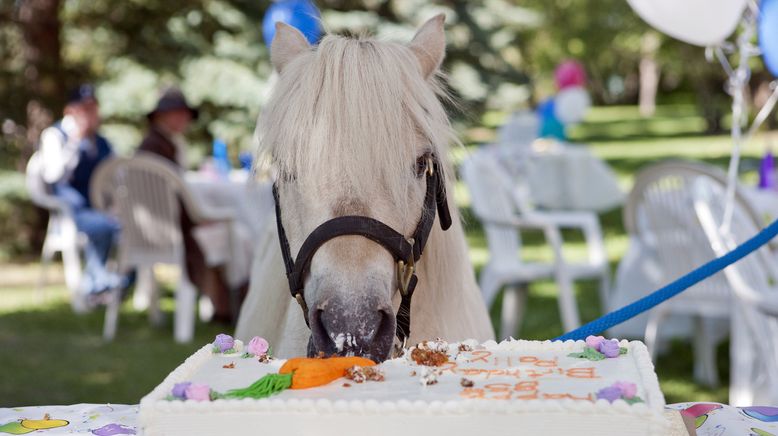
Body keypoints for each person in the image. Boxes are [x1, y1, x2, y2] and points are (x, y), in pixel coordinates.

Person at [137, 87, 236, 323]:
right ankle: (226, 305)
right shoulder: (156, 147)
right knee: (232, 234)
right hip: (166, 227)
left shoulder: (165, 144)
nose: (183, 119)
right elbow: (166, 198)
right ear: (161, 116)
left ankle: (219, 302)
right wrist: (199, 217)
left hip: (157, 226)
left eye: (184, 113)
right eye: (176, 113)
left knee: (224, 233)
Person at [38, 84, 126, 301]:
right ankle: (99, 282)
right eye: (83, 108)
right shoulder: (55, 135)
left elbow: (116, 175)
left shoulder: (102, 141)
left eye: (93, 108)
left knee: (126, 229)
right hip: (69, 210)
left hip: (98, 207)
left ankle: (101, 283)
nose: (89, 114)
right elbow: (53, 176)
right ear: (70, 110)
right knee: (102, 225)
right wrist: (75, 142)